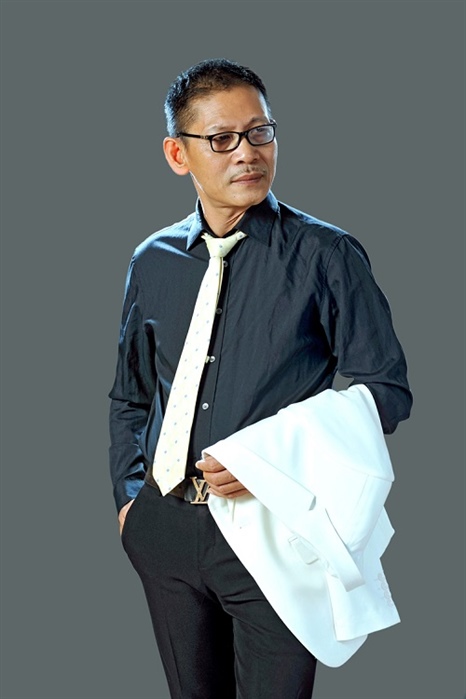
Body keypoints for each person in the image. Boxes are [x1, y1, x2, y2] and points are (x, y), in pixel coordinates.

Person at [109, 58, 412, 699]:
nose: (247, 153)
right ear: (178, 154)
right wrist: (130, 500)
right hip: (164, 527)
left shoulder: (327, 255)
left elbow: (385, 389)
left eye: (260, 132)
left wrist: (268, 459)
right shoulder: (152, 260)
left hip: (271, 531)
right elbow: (131, 393)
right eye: (221, 139)